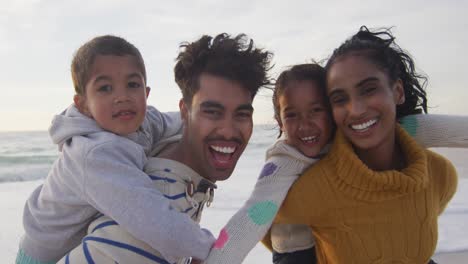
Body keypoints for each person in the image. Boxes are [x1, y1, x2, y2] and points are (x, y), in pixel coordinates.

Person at [58, 33, 273, 264]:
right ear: (184, 111)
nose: (229, 131)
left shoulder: (155, 140)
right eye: (212, 112)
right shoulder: (152, 206)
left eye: (241, 114)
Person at [17, 35, 216, 264]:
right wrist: (207, 246)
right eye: (105, 88)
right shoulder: (94, 154)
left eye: (132, 85)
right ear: (83, 104)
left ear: (146, 93)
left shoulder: (143, 121)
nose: (122, 97)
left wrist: (210, 120)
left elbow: (180, 122)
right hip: (43, 255)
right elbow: (151, 216)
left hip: (84, 240)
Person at [266, 26, 458, 263]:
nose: (356, 110)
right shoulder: (313, 189)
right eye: (340, 99)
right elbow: (259, 219)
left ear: (397, 91)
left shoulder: (440, 174)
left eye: (369, 90)